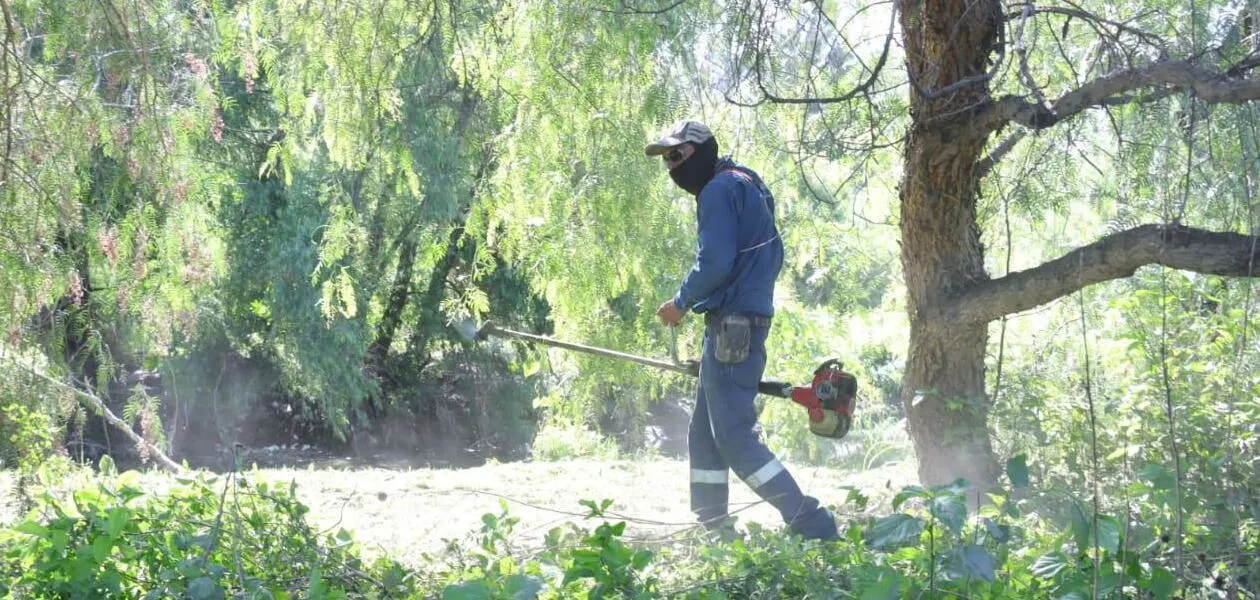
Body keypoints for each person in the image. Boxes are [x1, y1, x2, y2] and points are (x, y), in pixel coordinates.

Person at [645, 120, 839, 542]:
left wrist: (679, 304)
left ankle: (812, 523)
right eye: (666, 160)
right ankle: (714, 528)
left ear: (703, 150)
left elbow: (715, 262)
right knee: (704, 432)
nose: (671, 167)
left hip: (734, 326)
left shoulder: (717, 190)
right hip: (736, 324)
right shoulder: (746, 181)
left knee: (733, 438)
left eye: (677, 155)